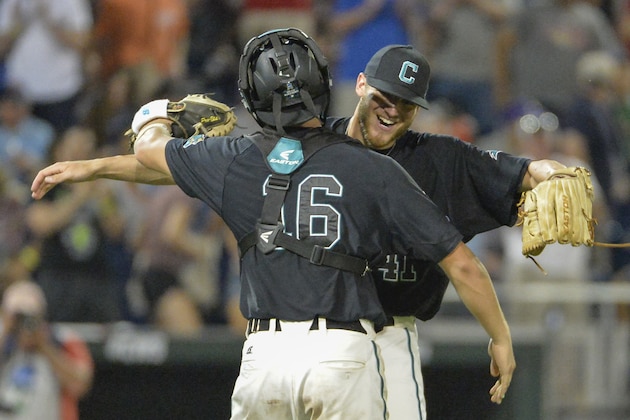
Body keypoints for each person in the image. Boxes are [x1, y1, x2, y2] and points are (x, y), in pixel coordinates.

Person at [30, 28, 514, 418]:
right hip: (342, 353)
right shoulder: (374, 168)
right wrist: (500, 337)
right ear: (330, 86)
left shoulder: (237, 159)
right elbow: (463, 265)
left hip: (264, 358)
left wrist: (151, 117)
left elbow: (151, 155)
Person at [324, 44, 568, 419]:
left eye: (405, 103)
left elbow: (523, 171)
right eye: (384, 96)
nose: (392, 110)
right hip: (312, 330)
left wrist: (554, 175)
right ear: (361, 84)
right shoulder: (315, 145)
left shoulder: (439, 158)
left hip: (390, 332)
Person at [0, 279, 94, 420]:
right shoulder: (4, 338)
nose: (22, 323)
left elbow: (81, 384)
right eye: (17, 317)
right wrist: (6, 334)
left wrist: (44, 347)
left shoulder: (62, 339)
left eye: (29, 316)